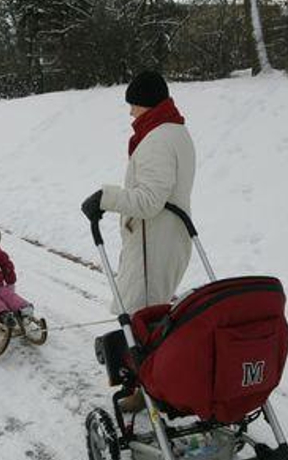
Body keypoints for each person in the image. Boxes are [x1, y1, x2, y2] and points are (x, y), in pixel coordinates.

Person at [81, 70, 196, 412]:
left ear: (146, 103)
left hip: (154, 245)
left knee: (140, 321)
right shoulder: (174, 131)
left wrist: (106, 197)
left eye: (133, 105)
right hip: (160, 240)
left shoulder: (159, 139)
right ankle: (150, 388)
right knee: (148, 316)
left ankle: (149, 392)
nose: (131, 113)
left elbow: (149, 201)